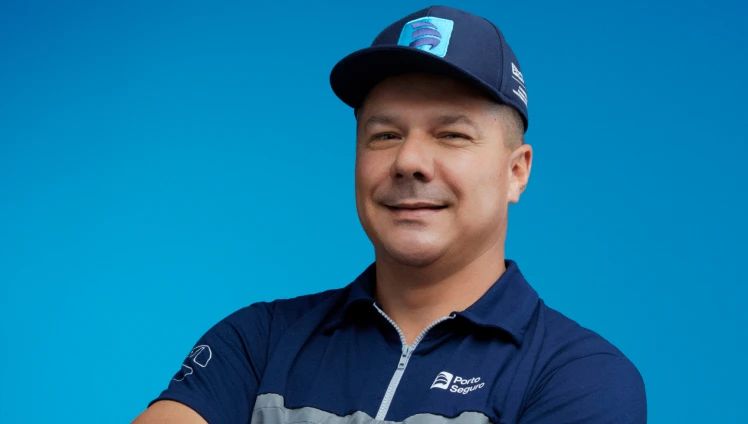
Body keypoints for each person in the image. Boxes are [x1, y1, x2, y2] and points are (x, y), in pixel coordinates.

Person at [133, 5, 647, 424]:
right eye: (385, 135)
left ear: (516, 172)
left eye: (452, 134)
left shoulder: (580, 377)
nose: (409, 161)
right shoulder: (258, 342)